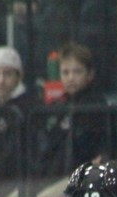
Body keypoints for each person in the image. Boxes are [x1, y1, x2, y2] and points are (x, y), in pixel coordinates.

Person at [38, 42, 111, 184]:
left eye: (77, 72)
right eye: (66, 72)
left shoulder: (95, 105)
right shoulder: (59, 106)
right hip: (54, 176)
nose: (71, 77)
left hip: (80, 179)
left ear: (90, 74)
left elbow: (88, 145)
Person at [0, 46, 41, 197]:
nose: (1, 80)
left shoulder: (29, 106)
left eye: (7, 74)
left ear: (19, 76)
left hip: (19, 185)